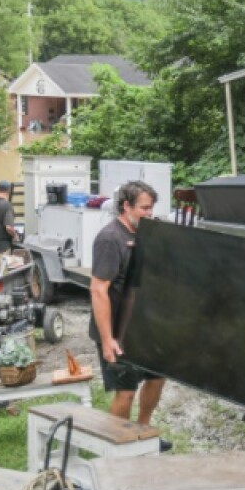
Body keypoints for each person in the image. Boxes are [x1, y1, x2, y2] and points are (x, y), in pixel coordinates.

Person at [89, 180, 170, 450]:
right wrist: (107, 339)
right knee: (125, 392)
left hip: (145, 329)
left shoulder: (146, 234)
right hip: (116, 331)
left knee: (157, 377)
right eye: (144, 208)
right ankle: (117, 447)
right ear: (126, 206)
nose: (149, 213)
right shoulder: (110, 239)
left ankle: (143, 434)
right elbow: (98, 290)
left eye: (151, 208)